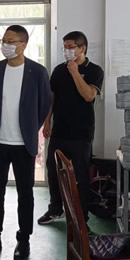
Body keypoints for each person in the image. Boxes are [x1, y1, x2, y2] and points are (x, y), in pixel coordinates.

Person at [0, 25, 50, 260]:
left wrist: (30, 128)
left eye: (11, 41)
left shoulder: (37, 71)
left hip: (23, 144)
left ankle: (23, 240)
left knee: (25, 195)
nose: (5, 45)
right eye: (3, 41)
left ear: (23, 45)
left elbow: (44, 105)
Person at [38, 31, 104, 226]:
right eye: (65, 47)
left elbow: (88, 95)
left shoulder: (94, 70)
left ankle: (81, 217)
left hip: (82, 133)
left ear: (82, 48)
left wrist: (75, 72)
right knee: (53, 170)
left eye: (70, 47)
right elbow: (52, 98)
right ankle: (55, 208)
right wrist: (47, 121)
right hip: (59, 131)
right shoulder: (59, 70)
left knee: (81, 176)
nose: (66, 51)